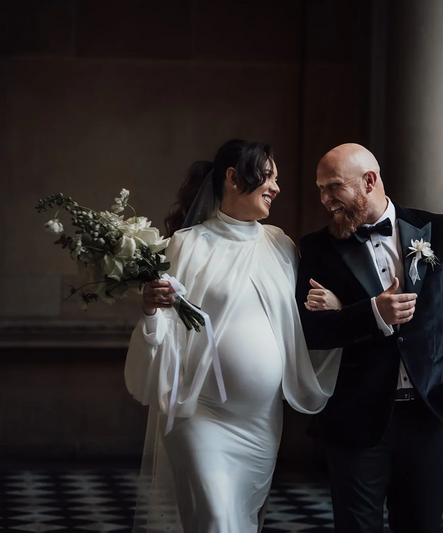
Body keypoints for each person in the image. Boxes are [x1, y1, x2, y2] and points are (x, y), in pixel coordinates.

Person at [124, 139, 342, 533]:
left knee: (239, 520)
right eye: (269, 176)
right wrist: (151, 307)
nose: (276, 187)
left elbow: (300, 320)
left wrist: (333, 307)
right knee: (216, 519)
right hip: (198, 412)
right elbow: (165, 327)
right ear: (233, 177)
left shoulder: (281, 245)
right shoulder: (186, 244)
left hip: (260, 423)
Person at [295, 143, 443, 532]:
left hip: (430, 417)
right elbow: (309, 332)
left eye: (333, 188)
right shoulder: (317, 248)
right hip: (356, 421)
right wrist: (370, 313)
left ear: (369, 181)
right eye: (320, 190)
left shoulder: (438, 231)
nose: (325, 200)